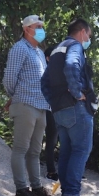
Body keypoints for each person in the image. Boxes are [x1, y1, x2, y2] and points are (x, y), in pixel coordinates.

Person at [41, 19, 95, 196]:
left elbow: (44, 80)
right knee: (81, 149)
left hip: (59, 109)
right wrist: (77, 92)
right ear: (82, 32)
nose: (88, 39)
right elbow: (72, 66)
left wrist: (53, 101)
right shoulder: (75, 46)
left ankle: (66, 195)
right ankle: (72, 195)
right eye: (89, 35)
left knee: (66, 151)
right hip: (75, 107)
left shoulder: (57, 49)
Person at [2, 15, 52, 196]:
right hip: (25, 104)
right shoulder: (19, 48)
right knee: (21, 148)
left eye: (41, 26)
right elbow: (9, 78)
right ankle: (21, 190)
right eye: (37, 26)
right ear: (26, 29)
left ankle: (36, 188)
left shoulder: (39, 51)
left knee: (35, 151)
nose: (40, 29)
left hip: (41, 106)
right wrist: (16, 96)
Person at [43, 46, 59, 181]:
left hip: (60, 109)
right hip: (49, 109)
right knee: (51, 141)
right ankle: (51, 170)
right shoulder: (45, 72)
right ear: (48, 58)